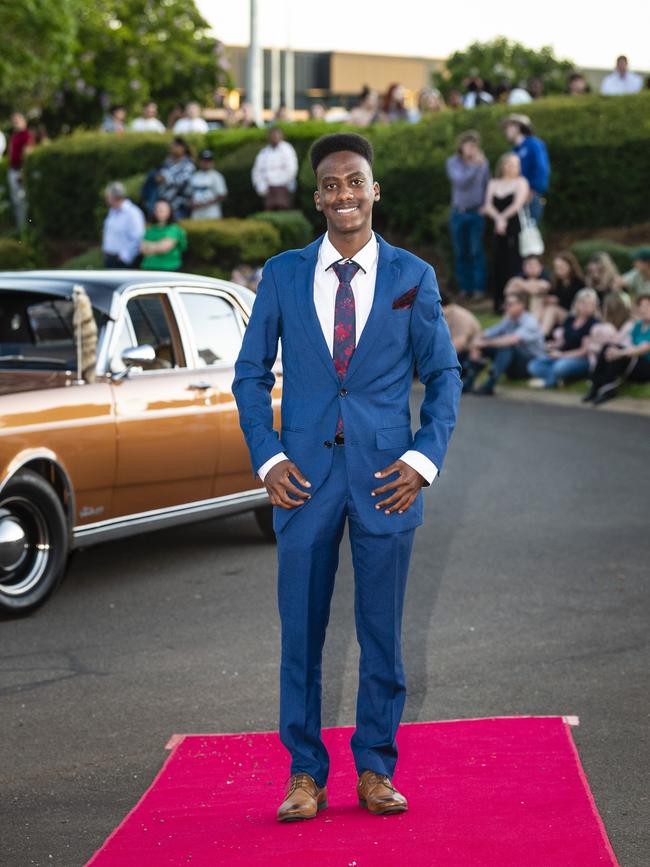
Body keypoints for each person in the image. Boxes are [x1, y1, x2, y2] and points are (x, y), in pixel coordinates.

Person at [232, 132, 461, 822]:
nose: (344, 195)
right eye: (331, 185)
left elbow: (445, 375)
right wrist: (269, 457)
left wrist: (422, 461)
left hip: (387, 479)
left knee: (382, 632)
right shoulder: (280, 273)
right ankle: (305, 772)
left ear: (374, 189)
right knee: (300, 633)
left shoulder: (412, 277)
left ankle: (375, 768)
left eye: (354, 181)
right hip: (301, 481)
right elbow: (248, 375)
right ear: (317, 197)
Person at [464, 290, 545, 394]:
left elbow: (512, 340)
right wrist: (476, 344)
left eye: (510, 304)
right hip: (514, 363)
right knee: (487, 345)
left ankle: (489, 385)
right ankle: (468, 381)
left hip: (532, 365)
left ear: (522, 305)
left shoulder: (530, 322)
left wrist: (484, 343)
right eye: (506, 304)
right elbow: (488, 332)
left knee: (506, 346)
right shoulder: (509, 320)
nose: (506, 307)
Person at [481, 153, 529, 313]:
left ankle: (514, 303)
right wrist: (498, 219)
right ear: (502, 165)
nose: (512, 167)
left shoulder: (521, 182)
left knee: (513, 262)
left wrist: (502, 219)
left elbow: (517, 204)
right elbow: (487, 205)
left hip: (513, 227)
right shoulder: (493, 183)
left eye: (515, 164)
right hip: (497, 228)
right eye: (509, 163)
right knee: (498, 263)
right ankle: (499, 303)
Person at [445, 131, 490, 300]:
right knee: (461, 252)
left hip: (476, 212)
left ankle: (479, 288)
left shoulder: (483, 164)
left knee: (476, 251)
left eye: (474, 146)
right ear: (461, 146)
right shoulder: (453, 162)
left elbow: (487, 185)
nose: (472, 149)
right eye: (469, 145)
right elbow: (460, 181)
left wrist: (486, 205)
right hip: (458, 212)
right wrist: (475, 167)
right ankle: (465, 288)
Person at [527, 288, 600, 388]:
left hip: (581, 359)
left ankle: (550, 382)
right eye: (583, 303)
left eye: (590, 304)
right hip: (562, 355)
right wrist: (553, 345)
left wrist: (561, 355)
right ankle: (560, 379)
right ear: (577, 304)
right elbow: (563, 341)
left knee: (560, 367)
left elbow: (584, 351)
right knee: (533, 365)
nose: (586, 307)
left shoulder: (594, 324)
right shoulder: (570, 319)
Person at [585, 294, 650, 404]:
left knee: (616, 352)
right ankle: (596, 385)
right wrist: (615, 351)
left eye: (647, 306)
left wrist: (620, 353)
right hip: (631, 361)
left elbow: (644, 348)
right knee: (608, 347)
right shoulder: (637, 326)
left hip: (646, 368)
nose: (644, 309)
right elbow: (625, 343)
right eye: (641, 306)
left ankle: (608, 390)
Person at [501, 114, 550, 223]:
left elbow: (542, 170)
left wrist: (532, 190)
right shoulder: (514, 150)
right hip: (517, 198)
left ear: (518, 127)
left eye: (508, 127)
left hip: (531, 198)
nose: (506, 131)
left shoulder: (534, 144)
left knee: (529, 233)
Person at [535, 250, 585, 334]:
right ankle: (531, 330)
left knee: (552, 310)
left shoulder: (579, 283)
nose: (559, 270)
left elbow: (576, 303)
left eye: (562, 267)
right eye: (557, 267)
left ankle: (540, 335)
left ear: (570, 266)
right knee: (541, 303)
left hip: (573, 315)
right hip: (556, 312)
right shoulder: (556, 282)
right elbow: (551, 295)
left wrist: (558, 300)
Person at [583, 292, 634, 373]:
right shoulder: (601, 325)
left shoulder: (628, 325)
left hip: (621, 356)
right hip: (603, 356)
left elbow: (620, 344)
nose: (603, 310)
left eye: (605, 307)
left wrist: (593, 346)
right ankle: (595, 371)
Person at [251, 127, 299, 211]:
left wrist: (279, 185)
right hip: (267, 189)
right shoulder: (263, 152)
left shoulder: (287, 149)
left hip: (284, 188)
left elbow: (292, 169)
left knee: (284, 213)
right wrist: (260, 186)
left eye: (276, 135)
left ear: (281, 136)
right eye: (272, 136)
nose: (274, 138)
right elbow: (257, 171)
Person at [101, 182, 146, 268]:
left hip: (122, 261)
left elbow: (138, 237)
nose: (106, 198)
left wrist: (125, 257)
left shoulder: (133, 213)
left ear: (114, 197)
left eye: (108, 196)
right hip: (110, 258)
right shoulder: (112, 211)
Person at [440, 290, 481, 380]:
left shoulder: (458, 315)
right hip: (455, 351)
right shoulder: (449, 313)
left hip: (466, 353)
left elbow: (459, 343)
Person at [140, 199, 187, 271]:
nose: (158, 212)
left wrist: (150, 247)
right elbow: (142, 248)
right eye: (157, 209)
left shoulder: (174, 229)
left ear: (170, 211)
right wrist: (157, 246)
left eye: (162, 210)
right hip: (149, 269)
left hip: (168, 270)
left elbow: (164, 247)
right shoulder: (151, 229)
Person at [7, 112, 35, 230]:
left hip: (20, 172)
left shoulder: (26, 135)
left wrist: (24, 173)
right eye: (14, 121)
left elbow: (27, 155)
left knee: (22, 201)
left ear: (24, 121)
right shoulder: (15, 136)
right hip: (13, 170)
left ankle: (25, 229)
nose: (15, 123)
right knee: (16, 201)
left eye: (17, 120)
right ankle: (20, 228)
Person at [504, 254, 552, 322]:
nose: (531, 268)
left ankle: (532, 324)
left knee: (537, 297)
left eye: (534, 265)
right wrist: (529, 284)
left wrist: (519, 283)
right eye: (528, 265)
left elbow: (537, 289)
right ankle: (509, 323)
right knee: (512, 298)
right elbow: (507, 290)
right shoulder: (522, 275)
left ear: (540, 267)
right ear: (524, 267)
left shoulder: (545, 275)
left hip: (544, 308)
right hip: (524, 304)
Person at [156, 137, 196, 219]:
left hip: (180, 204)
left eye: (174, 146)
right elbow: (159, 176)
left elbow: (181, 182)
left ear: (182, 148)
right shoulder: (166, 162)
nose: (172, 148)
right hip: (164, 203)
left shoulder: (188, 164)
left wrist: (165, 179)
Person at [190, 149, 228, 220]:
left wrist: (204, 204)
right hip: (196, 213)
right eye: (204, 160)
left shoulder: (217, 176)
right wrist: (192, 203)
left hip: (212, 213)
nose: (206, 163)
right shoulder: (195, 176)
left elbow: (222, 195)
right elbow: (190, 193)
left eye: (209, 160)